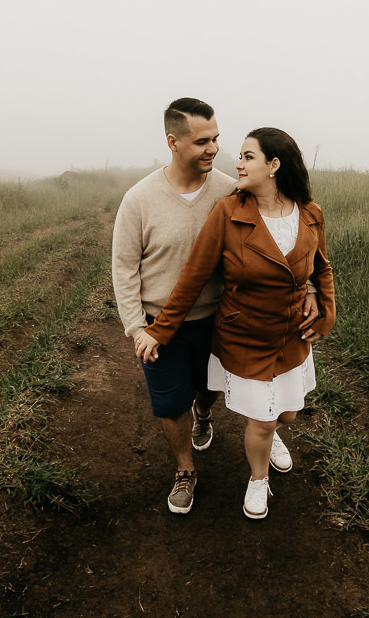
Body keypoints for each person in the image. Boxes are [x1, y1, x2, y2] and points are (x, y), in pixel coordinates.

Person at [112, 101, 320, 515]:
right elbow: (124, 267)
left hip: (219, 320)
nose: (214, 149)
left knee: (210, 391)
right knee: (170, 404)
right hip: (161, 325)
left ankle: (207, 415)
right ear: (173, 142)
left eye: (216, 139)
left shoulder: (231, 190)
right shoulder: (139, 200)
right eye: (203, 141)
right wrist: (138, 328)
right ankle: (185, 470)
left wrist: (310, 286)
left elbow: (288, 241)